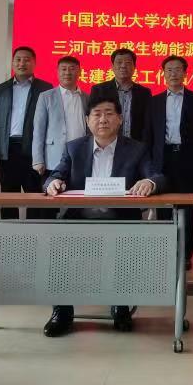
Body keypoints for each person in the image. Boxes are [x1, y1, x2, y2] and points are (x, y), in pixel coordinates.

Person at [42, 95, 166, 337]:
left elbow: (157, 176)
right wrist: (52, 183)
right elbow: (55, 175)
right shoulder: (74, 148)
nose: (103, 119)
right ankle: (62, 312)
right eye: (97, 114)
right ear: (87, 120)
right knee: (57, 247)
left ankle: (120, 306)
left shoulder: (136, 149)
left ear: (120, 119)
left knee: (125, 248)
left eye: (109, 113)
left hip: (120, 223)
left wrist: (149, 182)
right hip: (79, 223)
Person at [144, 55, 193, 268]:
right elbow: (148, 135)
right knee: (163, 208)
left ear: (185, 73)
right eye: (169, 70)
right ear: (163, 74)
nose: (173, 73)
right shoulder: (154, 101)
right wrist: (148, 164)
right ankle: (165, 252)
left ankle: (185, 255)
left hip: (187, 159)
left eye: (178, 69)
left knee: (187, 208)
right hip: (162, 159)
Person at [0, 47, 52, 217]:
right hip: (7, 150)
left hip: (34, 149)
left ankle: (35, 231)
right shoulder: (1, 89)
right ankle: (9, 232)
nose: (22, 63)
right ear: (13, 62)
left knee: (36, 195)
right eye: (18, 59)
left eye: (27, 59)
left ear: (34, 63)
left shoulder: (45, 88)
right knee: (8, 196)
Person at [32, 56, 88, 176]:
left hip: (81, 155)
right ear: (57, 72)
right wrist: (37, 159)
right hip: (54, 156)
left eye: (72, 69)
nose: (67, 72)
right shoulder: (46, 96)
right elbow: (38, 129)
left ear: (79, 72)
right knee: (53, 186)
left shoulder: (87, 98)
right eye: (63, 69)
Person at [89, 48, 152, 140]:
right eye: (119, 62)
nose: (123, 66)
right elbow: (93, 118)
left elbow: (148, 123)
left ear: (134, 67)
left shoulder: (144, 93)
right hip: (107, 143)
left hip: (136, 144)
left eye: (128, 63)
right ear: (112, 66)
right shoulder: (99, 90)